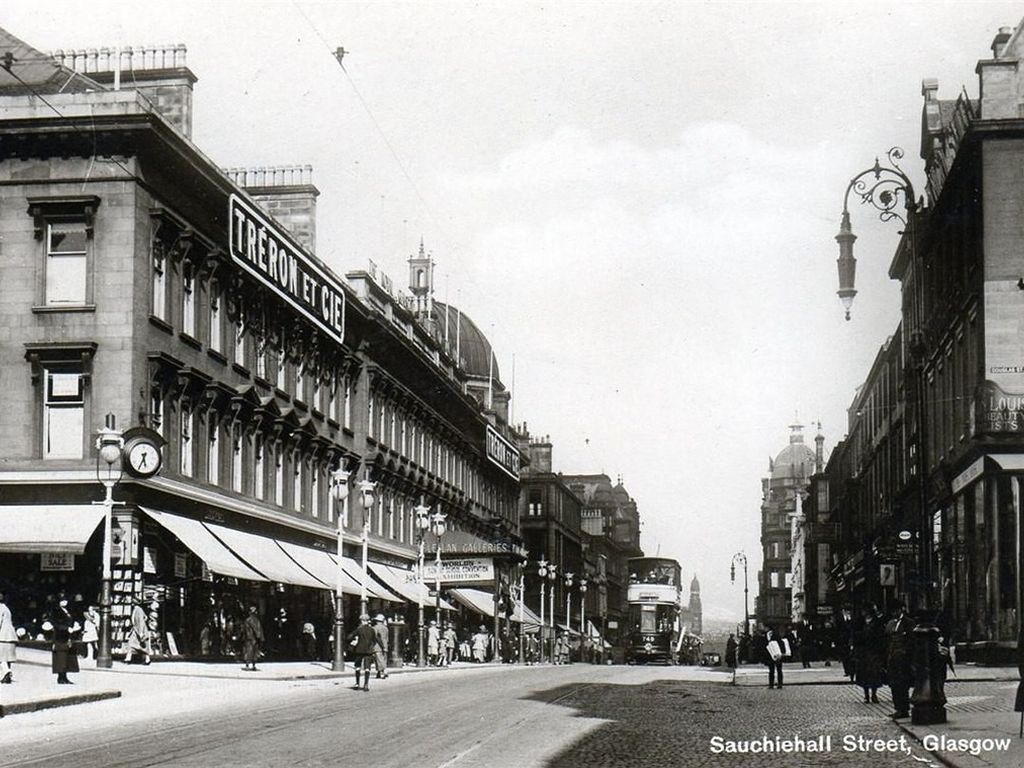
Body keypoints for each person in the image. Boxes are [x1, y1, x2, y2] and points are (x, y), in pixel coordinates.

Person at [885, 602, 914, 719]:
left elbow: (911, 640)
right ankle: (897, 708)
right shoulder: (890, 623)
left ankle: (904, 709)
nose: (894, 613)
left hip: (903, 659)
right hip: (892, 657)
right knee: (894, 684)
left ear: (901, 610)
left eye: (896, 611)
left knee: (902, 685)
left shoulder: (908, 623)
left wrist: (906, 653)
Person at [853, 607, 885, 703]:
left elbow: (880, 636)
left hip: (873, 651)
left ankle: (874, 694)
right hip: (863, 651)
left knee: (874, 672)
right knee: (864, 674)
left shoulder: (877, 623)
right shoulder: (860, 622)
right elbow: (855, 635)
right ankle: (866, 694)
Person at [347, 613, 383, 691]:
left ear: (363, 621)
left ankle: (357, 683)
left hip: (359, 650)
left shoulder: (359, 629)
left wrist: (353, 640)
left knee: (357, 667)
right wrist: (381, 647)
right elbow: (376, 639)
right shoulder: (372, 630)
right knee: (367, 668)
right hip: (369, 651)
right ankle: (366, 684)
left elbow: (349, 637)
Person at [50, 598, 80, 685]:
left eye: (66, 600)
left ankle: (65, 676)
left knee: (67, 657)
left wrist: (75, 626)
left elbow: (72, 620)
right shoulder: (56, 611)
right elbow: (55, 624)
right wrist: (66, 629)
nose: (64, 602)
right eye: (62, 600)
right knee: (61, 657)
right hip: (60, 636)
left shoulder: (69, 611)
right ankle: (60, 677)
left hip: (68, 637)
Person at [126, 599, 151, 665]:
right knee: (131, 644)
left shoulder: (138, 610)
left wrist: (141, 632)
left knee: (143, 646)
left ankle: (147, 659)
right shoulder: (136, 610)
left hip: (139, 630)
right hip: (135, 630)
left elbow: (141, 621)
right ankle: (128, 657)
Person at [241, 605, 264, 671]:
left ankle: (248, 664)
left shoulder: (247, 620)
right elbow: (258, 629)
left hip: (249, 638)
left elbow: (244, 630)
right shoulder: (256, 620)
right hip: (254, 638)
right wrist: (260, 637)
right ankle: (253, 665)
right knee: (254, 651)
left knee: (248, 651)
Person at [0, 590, 16, 683]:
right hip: (11, 635)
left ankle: (7, 672)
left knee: (1, 657)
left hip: (3, 636)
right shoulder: (6, 608)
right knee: (7, 657)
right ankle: (7, 678)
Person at [371, 614, 389, 679]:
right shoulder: (386, 628)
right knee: (383, 659)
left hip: (377, 646)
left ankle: (384, 671)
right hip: (385, 645)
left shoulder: (375, 628)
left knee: (378, 660)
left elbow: (375, 637)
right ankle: (379, 673)